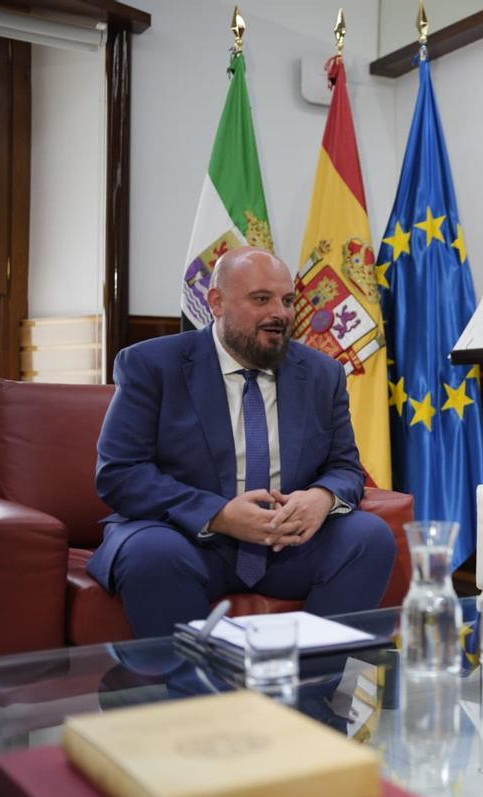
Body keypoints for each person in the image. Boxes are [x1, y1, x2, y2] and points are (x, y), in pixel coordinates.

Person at [90, 246, 397, 637]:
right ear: (217, 302)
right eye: (261, 299)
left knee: (369, 537)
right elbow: (119, 473)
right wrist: (218, 515)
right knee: (152, 554)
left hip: (287, 544)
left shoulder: (323, 375)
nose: (280, 314)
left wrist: (321, 497)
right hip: (187, 539)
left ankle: (305, 692)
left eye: (287, 301)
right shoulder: (151, 365)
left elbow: (344, 467)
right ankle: (197, 698)